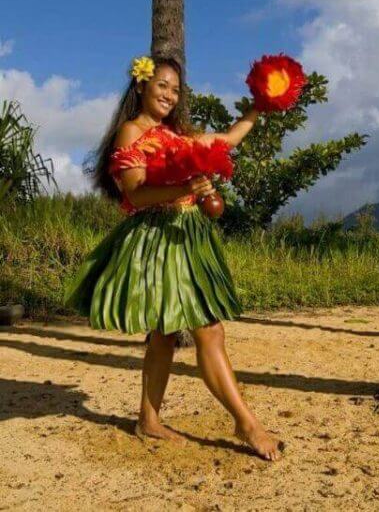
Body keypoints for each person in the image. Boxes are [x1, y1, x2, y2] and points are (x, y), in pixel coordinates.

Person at [64, 55, 283, 461]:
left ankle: (148, 419)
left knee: (165, 332)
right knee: (208, 330)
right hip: (159, 237)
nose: (169, 94)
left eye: (175, 89)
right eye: (162, 84)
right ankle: (246, 423)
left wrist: (258, 107)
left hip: (189, 236)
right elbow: (136, 193)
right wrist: (184, 186)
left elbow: (228, 139)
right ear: (142, 86)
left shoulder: (176, 135)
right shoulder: (131, 132)